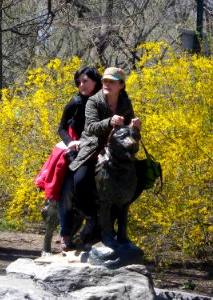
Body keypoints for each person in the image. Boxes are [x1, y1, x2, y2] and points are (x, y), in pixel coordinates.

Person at [69, 67, 141, 244]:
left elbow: (129, 134)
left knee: (139, 177)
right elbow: (91, 127)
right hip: (93, 148)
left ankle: (113, 221)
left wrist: (135, 127)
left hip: (116, 151)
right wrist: (109, 122)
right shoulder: (94, 101)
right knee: (80, 181)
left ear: (121, 85)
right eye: (105, 81)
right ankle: (92, 217)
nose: (107, 84)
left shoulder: (125, 102)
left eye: (112, 82)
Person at [38, 66, 102, 254]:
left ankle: (97, 227)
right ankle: (65, 235)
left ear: (95, 82)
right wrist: (71, 142)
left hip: (96, 151)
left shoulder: (103, 102)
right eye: (79, 81)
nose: (81, 85)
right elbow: (61, 128)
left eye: (85, 81)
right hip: (75, 152)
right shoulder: (74, 103)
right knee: (66, 194)